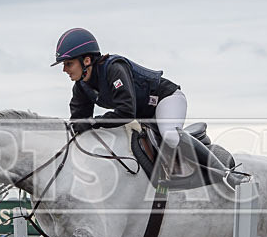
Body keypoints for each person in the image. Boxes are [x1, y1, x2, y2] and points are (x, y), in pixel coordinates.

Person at [51, 28, 188, 159]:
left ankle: (208, 166)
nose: (64, 70)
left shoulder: (114, 69)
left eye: (68, 64)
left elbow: (126, 112)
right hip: (142, 115)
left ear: (86, 60)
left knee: (169, 136)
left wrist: (93, 122)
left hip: (166, 98)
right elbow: (79, 124)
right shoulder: (81, 86)